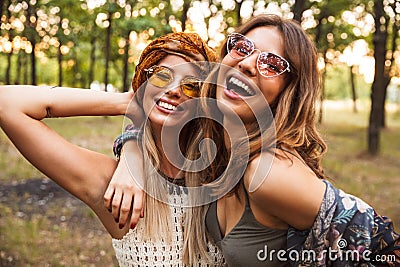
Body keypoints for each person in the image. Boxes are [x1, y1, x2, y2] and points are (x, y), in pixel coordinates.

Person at [110, 15, 400, 266]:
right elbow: (149, 114)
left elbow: (384, 246)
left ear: (289, 91)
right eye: (242, 47)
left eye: (271, 64)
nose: (248, 63)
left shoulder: (268, 172)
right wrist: (131, 145)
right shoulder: (218, 148)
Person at [0, 32, 224, 266]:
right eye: (161, 75)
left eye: (191, 85)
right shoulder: (116, 187)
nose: (175, 90)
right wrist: (125, 103)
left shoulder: (222, 176)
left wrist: (130, 145)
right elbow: (7, 103)